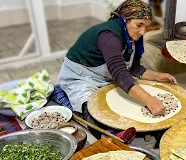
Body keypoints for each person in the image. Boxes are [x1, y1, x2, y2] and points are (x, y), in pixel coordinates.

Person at [58, 0, 177, 139]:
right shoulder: (109, 35)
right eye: (139, 25)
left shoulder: (133, 35)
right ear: (125, 20)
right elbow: (120, 72)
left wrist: (157, 76)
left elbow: (134, 67)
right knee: (92, 107)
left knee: (125, 99)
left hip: (106, 76)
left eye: (145, 26)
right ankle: (112, 136)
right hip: (81, 76)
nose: (143, 31)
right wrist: (150, 100)